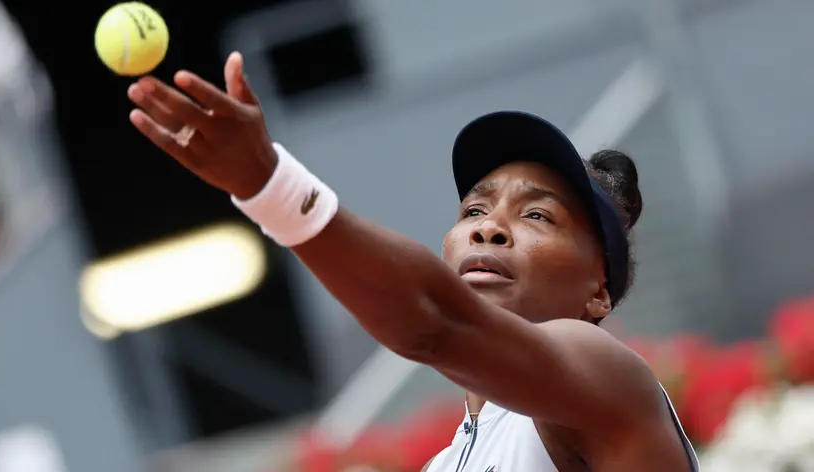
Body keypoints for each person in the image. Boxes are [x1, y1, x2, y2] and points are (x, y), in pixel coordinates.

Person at [126, 52, 700, 471]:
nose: (488, 227)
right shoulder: (444, 463)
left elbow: (434, 323)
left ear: (598, 291)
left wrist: (271, 188)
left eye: (537, 216)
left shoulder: (606, 373)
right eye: (474, 208)